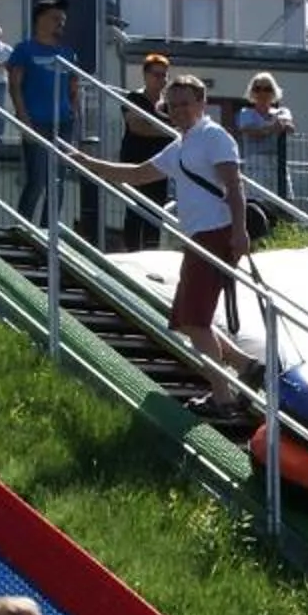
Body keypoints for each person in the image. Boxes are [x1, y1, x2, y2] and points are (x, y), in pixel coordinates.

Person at [63, 71, 249, 412]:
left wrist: (240, 231)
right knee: (187, 318)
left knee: (194, 320)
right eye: (171, 105)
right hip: (198, 236)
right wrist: (90, 164)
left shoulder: (213, 136)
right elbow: (138, 174)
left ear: (201, 103)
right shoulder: (182, 145)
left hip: (215, 233)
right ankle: (244, 365)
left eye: (185, 104)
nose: (177, 111)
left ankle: (223, 393)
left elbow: (234, 186)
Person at [5, 0, 79, 233]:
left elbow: (74, 87)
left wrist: (75, 113)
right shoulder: (24, 49)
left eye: (63, 20)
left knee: (57, 182)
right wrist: (22, 116)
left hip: (63, 123)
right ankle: (22, 228)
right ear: (40, 20)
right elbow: (15, 85)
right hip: (35, 121)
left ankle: (49, 233)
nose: (61, 24)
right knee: (36, 180)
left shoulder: (68, 52)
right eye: (55, 18)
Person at [116, 51, 177, 252]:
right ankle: (132, 251)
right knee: (134, 208)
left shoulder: (169, 106)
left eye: (164, 75)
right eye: (156, 74)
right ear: (145, 75)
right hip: (135, 161)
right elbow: (137, 127)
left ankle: (151, 250)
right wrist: (169, 133)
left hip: (160, 163)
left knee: (155, 209)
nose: (161, 79)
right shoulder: (134, 98)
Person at [234, 70, 294, 201]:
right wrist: (272, 128)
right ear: (252, 92)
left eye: (267, 89)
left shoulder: (282, 111)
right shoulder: (246, 113)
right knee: (256, 202)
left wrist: (269, 128)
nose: (262, 93)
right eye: (258, 89)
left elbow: (288, 127)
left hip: (277, 163)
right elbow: (251, 131)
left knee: (283, 202)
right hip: (255, 164)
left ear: (273, 92)